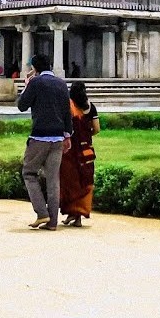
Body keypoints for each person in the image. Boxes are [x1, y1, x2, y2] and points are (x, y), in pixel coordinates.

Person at [17, 53, 73, 230]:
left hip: (39, 136)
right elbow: (67, 112)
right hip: (58, 137)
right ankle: (53, 222)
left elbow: (21, 105)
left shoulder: (35, 82)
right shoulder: (61, 83)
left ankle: (42, 213)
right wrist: (68, 135)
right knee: (53, 179)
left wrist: (27, 85)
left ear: (34, 68)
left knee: (29, 173)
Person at [60, 81, 99, 227]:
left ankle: (73, 213)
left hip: (70, 150)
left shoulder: (68, 106)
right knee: (85, 181)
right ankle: (78, 215)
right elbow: (97, 129)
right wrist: (86, 136)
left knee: (70, 182)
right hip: (86, 150)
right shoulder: (90, 107)